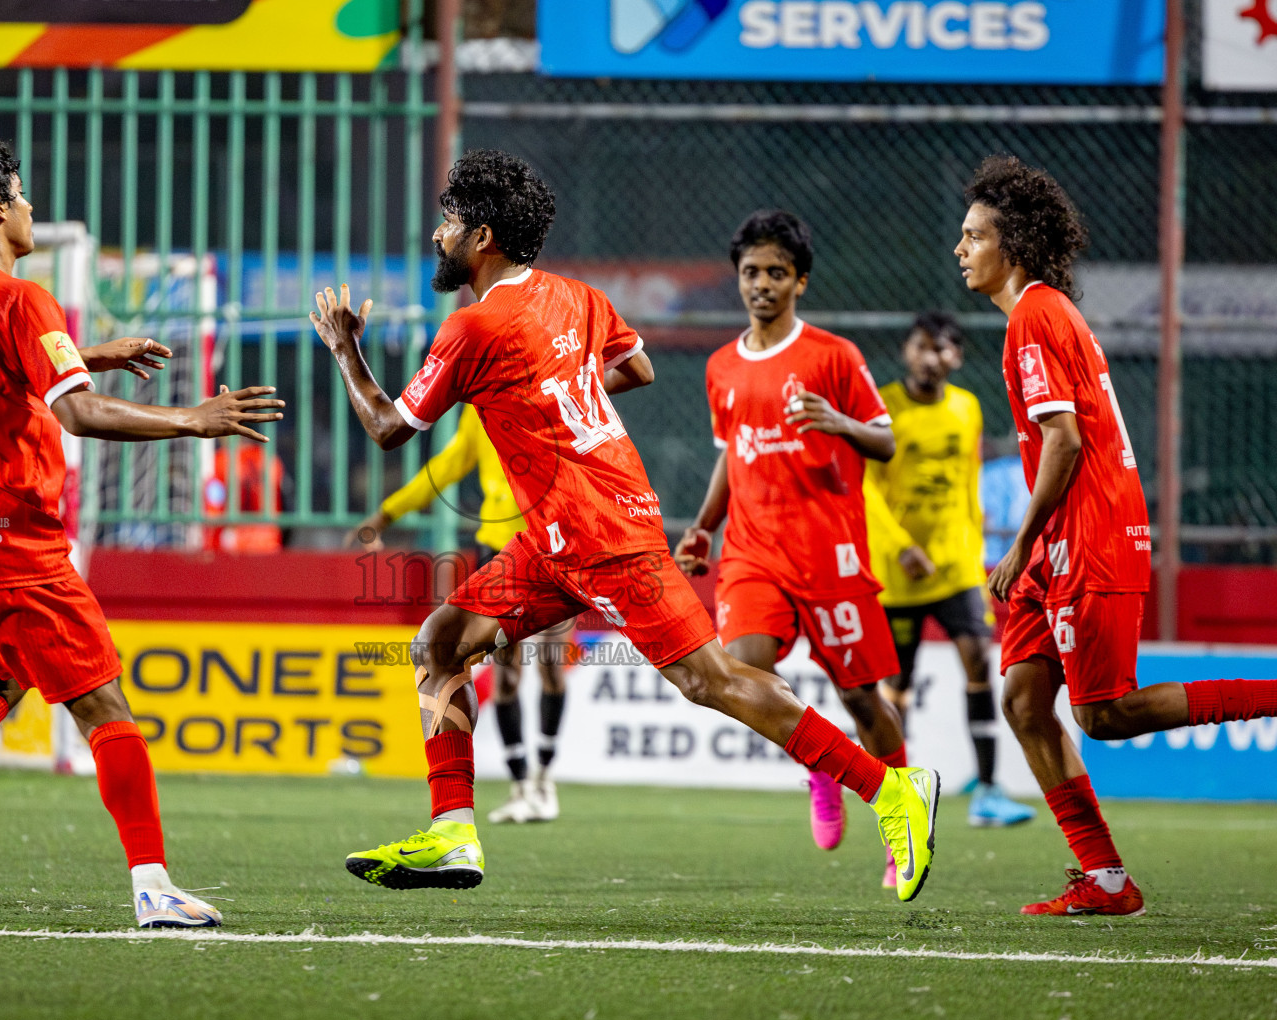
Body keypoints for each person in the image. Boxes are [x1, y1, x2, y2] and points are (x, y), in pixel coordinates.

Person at [311, 148, 940, 903]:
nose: (438, 233)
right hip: (553, 537)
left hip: (600, 533)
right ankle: (452, 830)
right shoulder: (576, 296)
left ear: (482, 237)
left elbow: (387, 427)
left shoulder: (472, 328)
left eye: (449, 220)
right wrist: (554, 392)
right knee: (440, 643)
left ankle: (893, 790)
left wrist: (346, 349)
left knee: (709, 681)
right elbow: (636, 368)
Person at [0, 135, 283, 928]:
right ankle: (154, 888)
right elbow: (76, 413)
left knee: (4, 677)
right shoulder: (24, 299)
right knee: (105, 705)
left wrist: (84, 357)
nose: (28, 205)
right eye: (18, 193)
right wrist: (192, 419)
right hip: (11, 548)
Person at [958, 155, 1277, 915]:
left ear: (1016, 246)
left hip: (1086, 538)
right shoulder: (1041, 314)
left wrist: (1020, 543)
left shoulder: (1035, 315)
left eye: (974, 236)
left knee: (1105, 715)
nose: (961, 249)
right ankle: (1105, 879)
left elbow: (1064, 441)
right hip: (1060, 544)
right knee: (1026, 702)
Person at [673, 210, 910, 889]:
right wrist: (705, 525)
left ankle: (899, 819)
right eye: (751, 272)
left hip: (830, 552)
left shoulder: (835, 357)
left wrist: (837, 422)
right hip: (752, 551)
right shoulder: (720, 366)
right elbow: (729, 455)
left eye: (777, 272)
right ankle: (822, 762)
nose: (762, 284)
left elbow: (885, 441)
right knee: (742, 676)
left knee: (864, 699)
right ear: (738, 280)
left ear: (799, 281)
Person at [347, 403, 574, 824]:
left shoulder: (551, 400)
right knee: (506, 674)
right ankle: (522, 785)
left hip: (555, 544)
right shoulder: (479, 412)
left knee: (551, 665)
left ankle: (544, 779)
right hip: (501, 551)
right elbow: (445, 467)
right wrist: (385, 514)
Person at [862, 312, 1035, 827]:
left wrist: (975, 551)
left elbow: (967, 485)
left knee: (979, 661)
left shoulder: (967, 407)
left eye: (941, 349)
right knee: (897, 683)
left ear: (956, 357)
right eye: (921, 346)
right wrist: (899, 547)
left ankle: (987, 791)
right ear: (906, 352)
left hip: (957, 565)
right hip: (898, 569)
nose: (930, 357)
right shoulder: (882, 408)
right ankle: (896, 790)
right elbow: (867, 488)